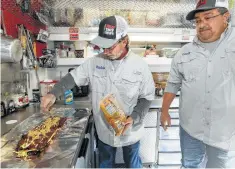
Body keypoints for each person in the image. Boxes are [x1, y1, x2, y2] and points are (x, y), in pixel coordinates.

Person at [41, 15, 155, 168]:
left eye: (110, 46)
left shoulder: (140, 66)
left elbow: (146, 98)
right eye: (103, 46)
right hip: (104, 131)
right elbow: (73, 77)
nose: (106, 51)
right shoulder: (95, 62)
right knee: (105, 164)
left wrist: (134, 117)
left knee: (133, 164)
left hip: (131, 130)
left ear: (124, 41)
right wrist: (53, 93)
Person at [160, 0, 235, 168]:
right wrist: (164, 111)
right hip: (191, 128)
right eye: (198, 20)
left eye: (208, 17)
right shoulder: (184, 53)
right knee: (190, 165)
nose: (202, 24)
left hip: (225, 131)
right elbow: (172, 84)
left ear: (226, 17)